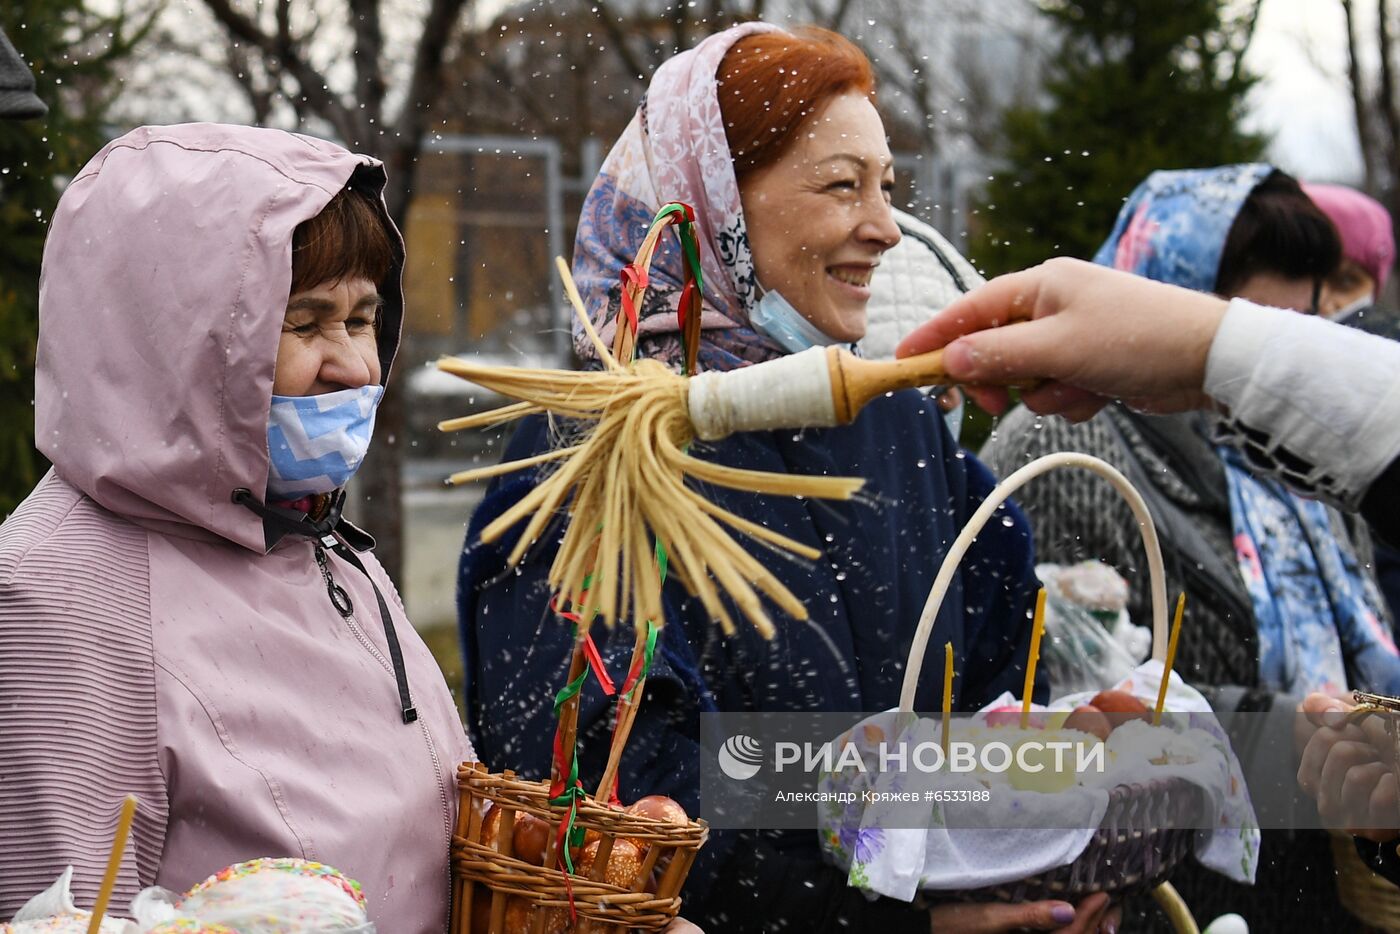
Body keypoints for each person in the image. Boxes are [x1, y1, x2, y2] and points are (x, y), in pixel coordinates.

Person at [459, 23, 1116, 934]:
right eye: (842, 185)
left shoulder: (896, 424)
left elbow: (1001, 677)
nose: (886, 227)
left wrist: (1050, 829)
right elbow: (607, 813)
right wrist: (906, 925)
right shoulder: (596, 450)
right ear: (715, 204)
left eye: (887, 185)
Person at [0, 123, 477, 929]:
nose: (357, 365)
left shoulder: (316, 544)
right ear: (176, 338)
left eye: (361, 318)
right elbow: (53, 910)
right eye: (305, 322)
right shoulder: (57, 601)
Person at [896, 255, 1400, 886]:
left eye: (1309, 316)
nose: (1309, 324)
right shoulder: (1061, 443)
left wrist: (1213, 349)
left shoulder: (1296, 475)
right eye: (1269, 312)